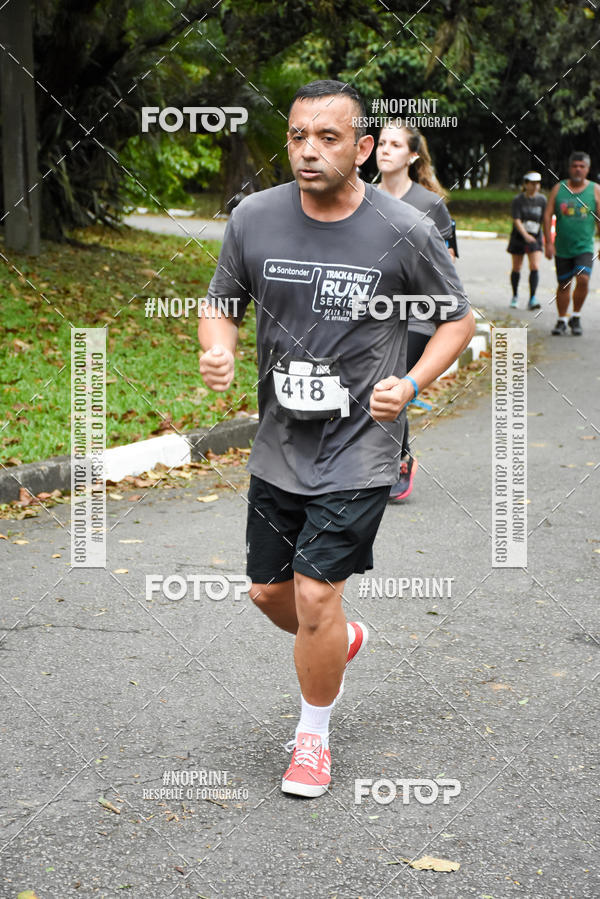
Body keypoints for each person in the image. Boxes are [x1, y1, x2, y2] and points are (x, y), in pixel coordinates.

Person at [198, 80, 475, 799]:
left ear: (361, 147)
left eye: (327, 138)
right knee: (268, 591)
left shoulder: (405, 228)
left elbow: (456, 320)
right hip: (279, 442)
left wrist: (410, 384)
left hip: (361, 444)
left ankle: (312, 738)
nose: (309, 150)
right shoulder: (254, 217)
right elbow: (220, 303)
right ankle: (338, 644)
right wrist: (218, 347)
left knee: (318, 594)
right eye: (297, 136)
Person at [375, 122, 455, 502]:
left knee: (393, 378)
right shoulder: (362, 197)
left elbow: (449, 264)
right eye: (381, 143)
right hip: (372, 313)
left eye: (395, 144)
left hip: (418, 316)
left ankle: (400, 459)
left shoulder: (429, 204)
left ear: (412, 156)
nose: (385, 149)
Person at [543, 152, 600, 336]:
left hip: (584, 246)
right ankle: (561, 320)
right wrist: (548, 243)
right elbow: (547, 215)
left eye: (582, 166)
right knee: (564, 284)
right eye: (575, 165)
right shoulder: (559, 189)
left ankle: (576, 316)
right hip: (562, 247)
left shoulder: (595, 190)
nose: (578, 169)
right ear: (569, 168)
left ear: (587, 169)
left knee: (583, 279)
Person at [507, 172, 546, 310]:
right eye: (532, 183)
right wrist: (525, 235)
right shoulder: (518, 200)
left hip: (535, 237)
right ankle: (515, 295)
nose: (535, 186)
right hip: (519, 238)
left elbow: (545, 219)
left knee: (534, 266)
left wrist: (548, 236)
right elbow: (516, 219)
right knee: (517, 267)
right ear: (526, 184)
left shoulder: (542, 200)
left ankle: (532, 298)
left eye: (537, 184)